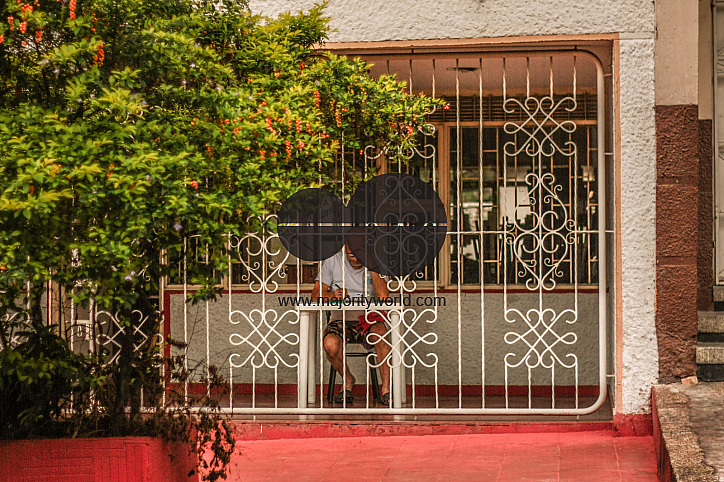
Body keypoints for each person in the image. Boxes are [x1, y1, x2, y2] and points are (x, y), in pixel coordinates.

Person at [311, 242, 392, 405]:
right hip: (340, 319)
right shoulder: (333, 261)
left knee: (381, 334)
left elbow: (384, 297)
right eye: (350, 255)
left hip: (369, 319)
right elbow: (315, 295)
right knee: (331, 344)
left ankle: (386, 389)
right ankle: (348, 380)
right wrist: (333, 295)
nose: (354, 259)